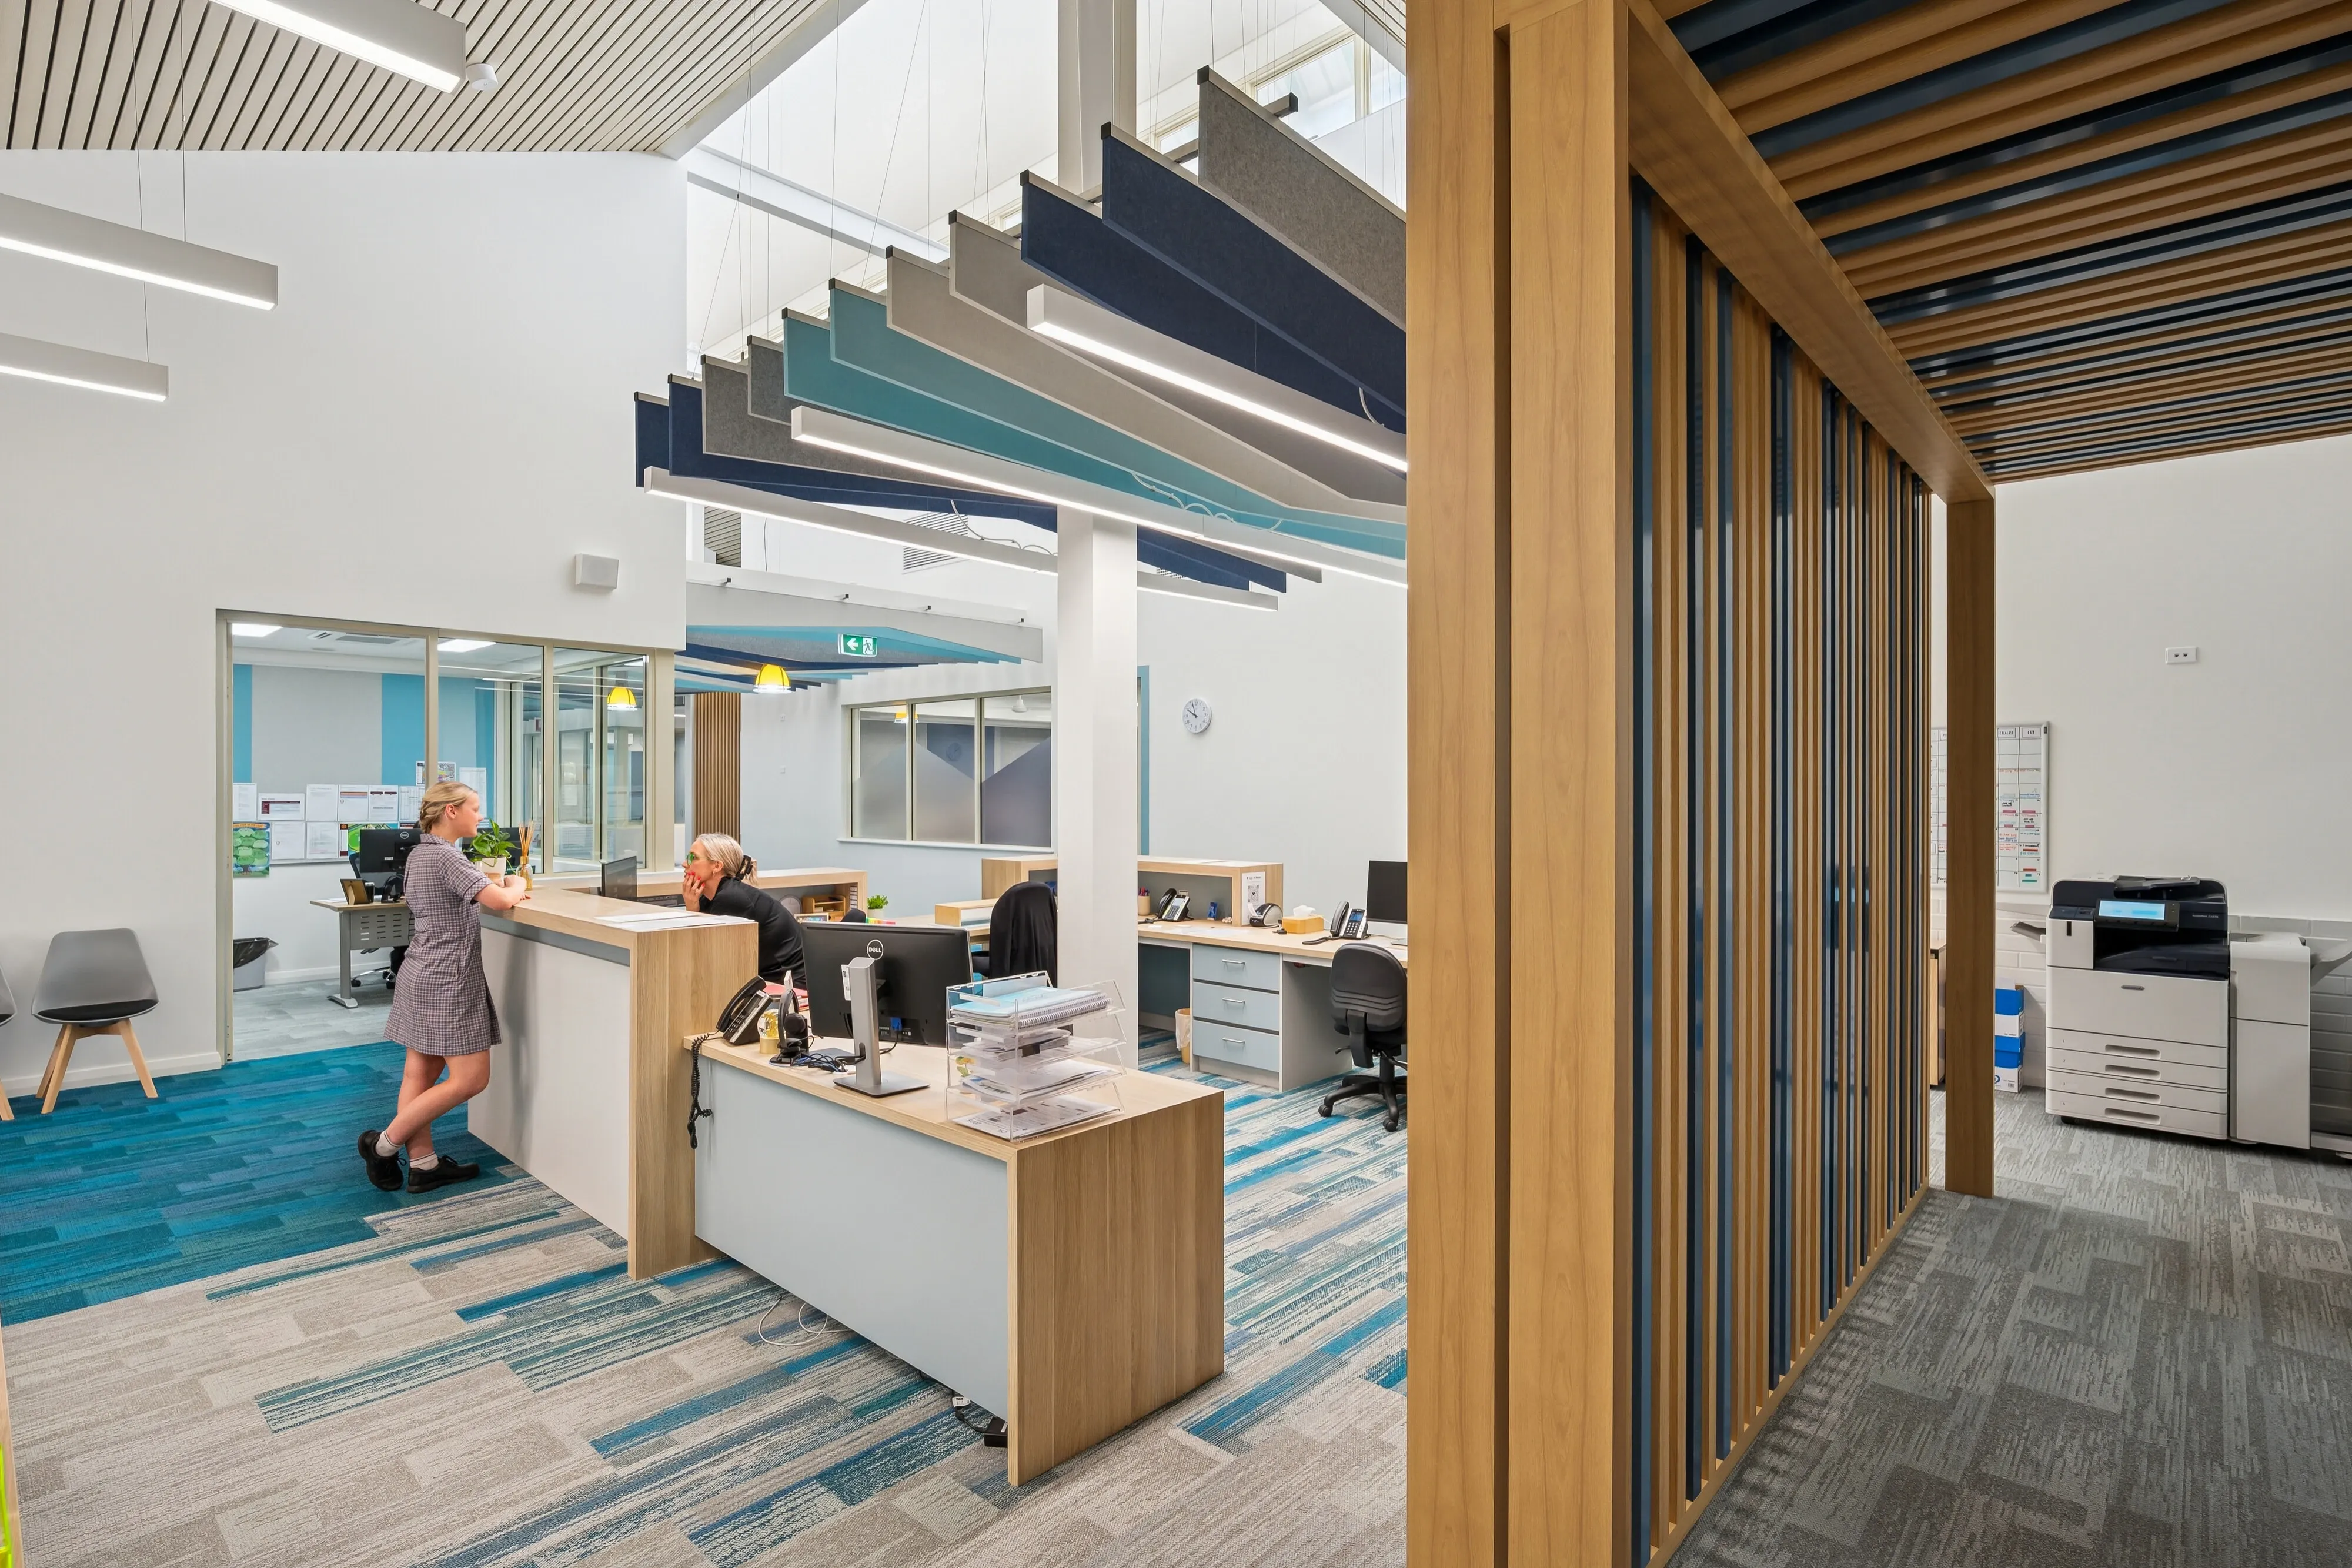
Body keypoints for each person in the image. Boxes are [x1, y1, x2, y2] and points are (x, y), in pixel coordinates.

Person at [357, 781, 530, 1195]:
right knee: (471, 1079)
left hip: (421, 972)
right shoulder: (447, 857)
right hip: (449, 979)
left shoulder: (420, 854)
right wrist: (520, 884)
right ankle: (383, 1146)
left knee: (421, 1072)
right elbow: (502, 900)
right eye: (474, 808)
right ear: (450, 811)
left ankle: (424, 1164)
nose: (480, 816)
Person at [681, 833, 806, 986]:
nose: (685, 864)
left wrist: (692, 909)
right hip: (768, 978)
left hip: (791, 983)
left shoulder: (731, 898)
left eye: (693, 858)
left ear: (717, 866)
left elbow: (707, 954)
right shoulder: (710, 896)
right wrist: (692, 906)